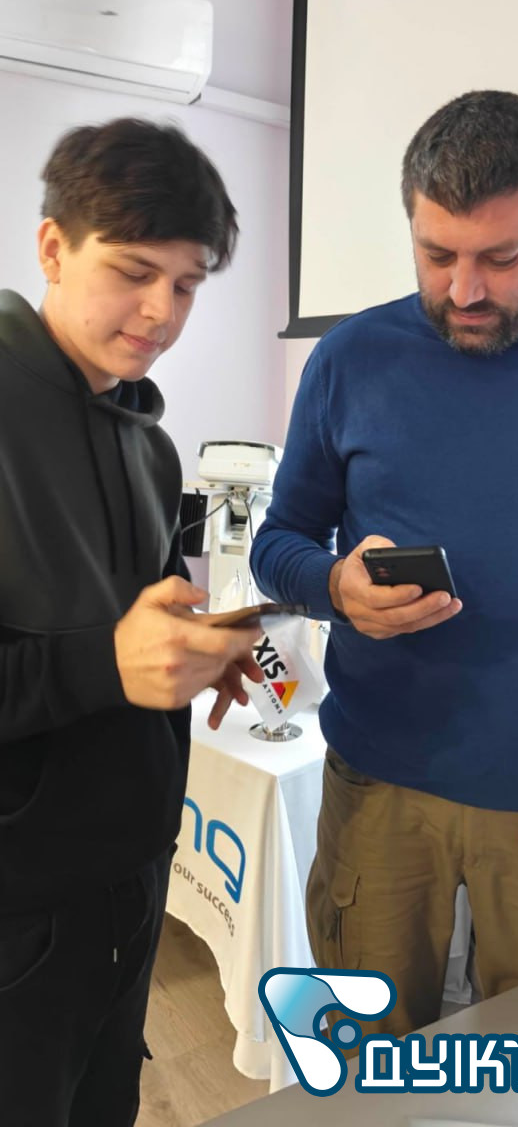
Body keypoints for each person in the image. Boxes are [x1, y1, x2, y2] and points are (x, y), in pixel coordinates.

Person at [250, 89, 518, 1040]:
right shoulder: (350, 358)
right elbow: (280, 541)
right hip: (378, 791)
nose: (464, 291)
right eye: (437, 255)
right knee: (366, 1069)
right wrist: (334, 588)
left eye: (501, 258)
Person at [0, 117, 263, 1126]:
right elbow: (103, 656)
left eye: (188, 284)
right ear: (53, 247)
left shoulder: (150, 444)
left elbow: (148, 615)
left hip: (132, 875)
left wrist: (203, 653)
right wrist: (104, 666)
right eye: (134, 270)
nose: (161, 311)